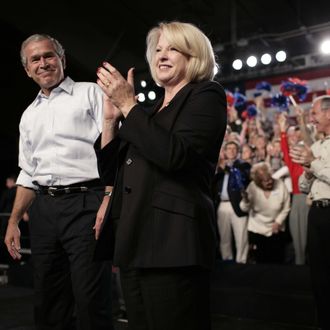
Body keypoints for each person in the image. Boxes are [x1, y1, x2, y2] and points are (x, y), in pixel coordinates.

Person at [94, 21, 227, 330]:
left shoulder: (206, 95)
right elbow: (110, 171)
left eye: (172, 49)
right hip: (135, 239)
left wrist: (129, 105)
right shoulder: (149, 112)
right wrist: (111, 120)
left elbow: (174, 155)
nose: (161, 56)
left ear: (194, 57)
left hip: (173, 244)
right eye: (157, 50)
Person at [4, 34, 113, 330]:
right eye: (35, 60)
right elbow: (28, 173)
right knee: (49, 300)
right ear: (27, 70)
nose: (43, 63)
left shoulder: (90, 93)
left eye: (48, 56)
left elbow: (116, 149)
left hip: (86, 202)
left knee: (91, 298)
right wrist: (13, 220)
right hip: (44, 210)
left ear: (62, 59)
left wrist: (108, 198)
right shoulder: (28, 116)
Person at [291, 95, 330, 330]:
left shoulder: (315, 151)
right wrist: (307, 172)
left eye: (314, 113)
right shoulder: (315, 145)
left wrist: (313, 163)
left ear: (328, 114)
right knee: (318, 276)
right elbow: (304, 186)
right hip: (316, 214)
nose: (311, 118)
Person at [240, 162, 290, 264]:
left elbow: (286, 207)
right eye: (266, 181)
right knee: (260, 260)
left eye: (270, 179)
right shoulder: (252, 187)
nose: (270, 182)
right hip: (257, 228)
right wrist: (245, 200)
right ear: (258, 182)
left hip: (276, 228)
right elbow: (244, 208)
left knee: (276, 259)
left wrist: (278, 222)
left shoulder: (280, 184)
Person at [214, 141, 251, 263]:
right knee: (224, 238)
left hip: (238, 205)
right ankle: (227, 261)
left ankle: (242, 263)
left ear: (238, 151)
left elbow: (243, 177)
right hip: (222, 205)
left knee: (241, 238)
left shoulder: (243, 165)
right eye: (228, 148)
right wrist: (220, 169)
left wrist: (228, 168)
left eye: (234, 148)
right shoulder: (219, 167)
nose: (231, 150)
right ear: (224, 151)